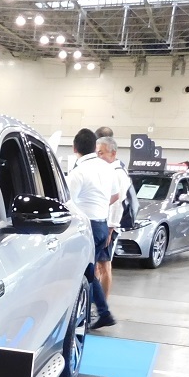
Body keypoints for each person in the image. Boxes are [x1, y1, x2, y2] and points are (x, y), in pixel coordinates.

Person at [67, 128, 120, 329]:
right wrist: (99, 207)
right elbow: (115, 195)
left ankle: (102, 313)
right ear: (94, 147)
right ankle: (93, 312)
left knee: (87, 272)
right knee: (89, 271)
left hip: (86, 227)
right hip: (101, 225)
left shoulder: (78, 172)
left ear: (75, 148)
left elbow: (67, 203)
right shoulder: (108, 168)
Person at [95, 135, 130, 303]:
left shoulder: (117, 173)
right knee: (98, 265)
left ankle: (103, 303)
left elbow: (117, 202)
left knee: (104, 264)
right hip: (101, 223)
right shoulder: (106, 171)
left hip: (108, 226)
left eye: (102, 153)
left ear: (113, 153)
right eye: (97, 153)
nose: (99, 156)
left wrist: (110, 229)